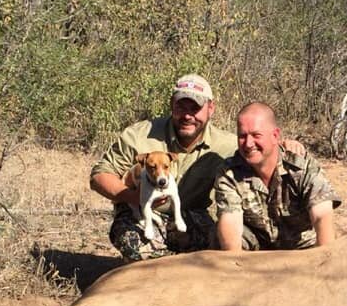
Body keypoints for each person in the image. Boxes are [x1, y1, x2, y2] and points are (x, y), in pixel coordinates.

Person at [89, 76, 307, 261]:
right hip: (142, 214)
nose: (187, 115)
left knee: (223, 243)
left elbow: (260, 147)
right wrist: (134, 197)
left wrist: (285, 145)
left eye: (195, 108)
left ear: (210, 109)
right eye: (181, 106)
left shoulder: (227, 144)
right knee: (135, 245)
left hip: (191, 216)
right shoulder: (140, 134)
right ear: (171, 105)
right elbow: (100, 175)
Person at [216, 102, 340, 251]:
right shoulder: (229, 172)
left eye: (256, 135)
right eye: (242, 136)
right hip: (257, 249)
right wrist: (235, 264)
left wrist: (323, 260)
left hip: (301, 247)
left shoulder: (302, 165)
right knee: (218, 237)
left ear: (275, 136)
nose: (248, 144)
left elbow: (322, 216)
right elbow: (230, 224)